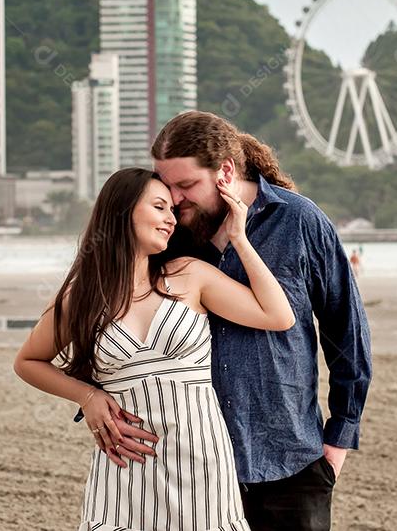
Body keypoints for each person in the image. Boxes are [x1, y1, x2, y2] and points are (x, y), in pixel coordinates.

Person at [14, 168, 294, 530]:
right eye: (160, 207)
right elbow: (28, 361)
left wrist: (238, 237)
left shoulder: (190, 275)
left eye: (173, 212)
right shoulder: (83, 296)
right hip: (126, 462)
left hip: (201, 459)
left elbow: (278, 315)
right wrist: (87, 396)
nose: (171, 220)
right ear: (123, 211)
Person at [128, 111, 370, 531]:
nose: (176, 199)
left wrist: (338, 440)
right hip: (188, 465)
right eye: (167, 187)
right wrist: (96, 401)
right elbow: (119, 319)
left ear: (225, 170)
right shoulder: (170, 235)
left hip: (291, 460)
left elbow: (346, 331)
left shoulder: (300, 221)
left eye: (186, 186)